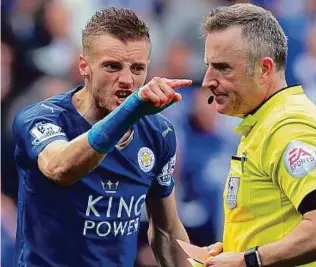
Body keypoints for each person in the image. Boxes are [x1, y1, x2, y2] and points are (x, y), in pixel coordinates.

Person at [12, 7, 191, 267]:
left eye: (138, 68)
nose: (127, 80)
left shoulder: (158, 133)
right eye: (112, 66)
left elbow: (166, 231)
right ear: (84, 65)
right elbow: (61, 168)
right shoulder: (41, 118)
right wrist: (131, 110)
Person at [200, 3, 316, 267]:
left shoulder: (288, 127)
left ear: (264, 69)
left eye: (222, 68)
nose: (207, 80)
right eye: (208, 66)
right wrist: (237, 248)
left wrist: (246, 260)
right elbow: (283, 218)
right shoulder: (264, 122)